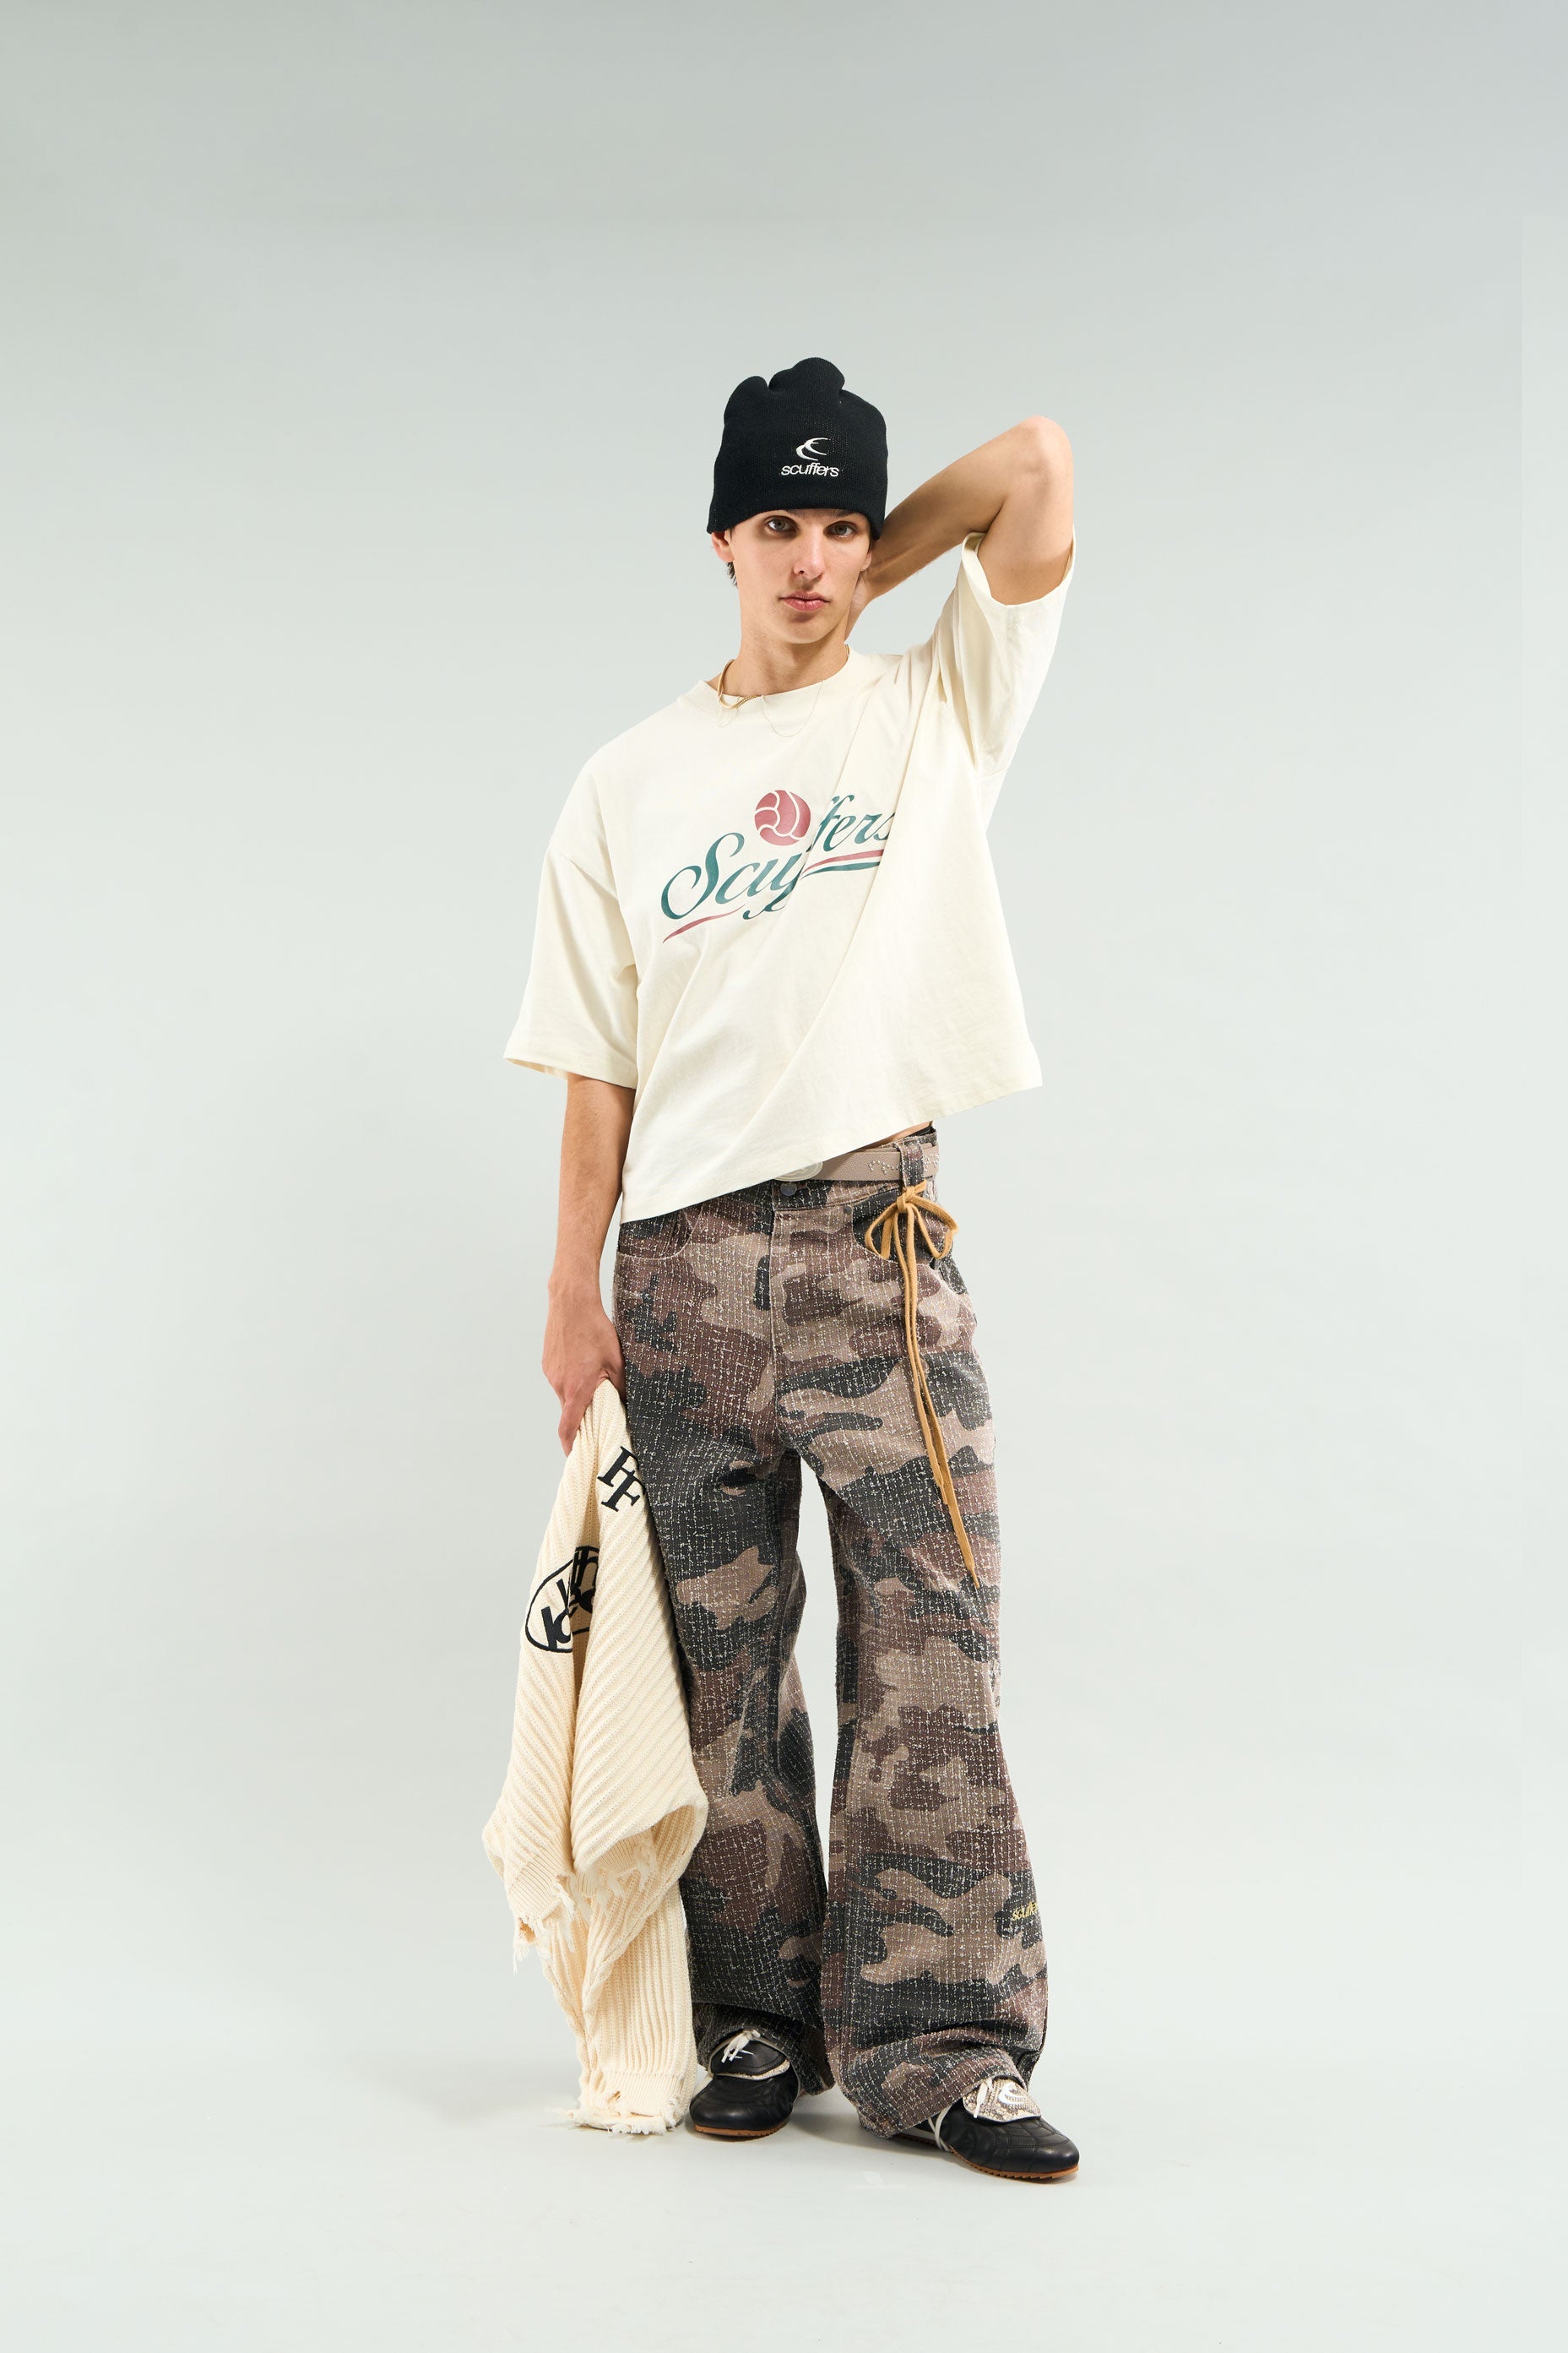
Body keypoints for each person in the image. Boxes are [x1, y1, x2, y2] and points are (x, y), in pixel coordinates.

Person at [506, 356, 1078, 2184]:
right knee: (715, 1666)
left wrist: (863, 575)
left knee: (930, 1641)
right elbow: (593, 1059)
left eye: (839, 524)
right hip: (678, 1266)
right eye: (778, 524)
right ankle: (753, 2010)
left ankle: (941, 2044)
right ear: (718, 541)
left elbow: (1033, 465)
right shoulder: (626, 779)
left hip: (871, 1248)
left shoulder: (934, 708)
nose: (814, 556)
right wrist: (571, 1290)